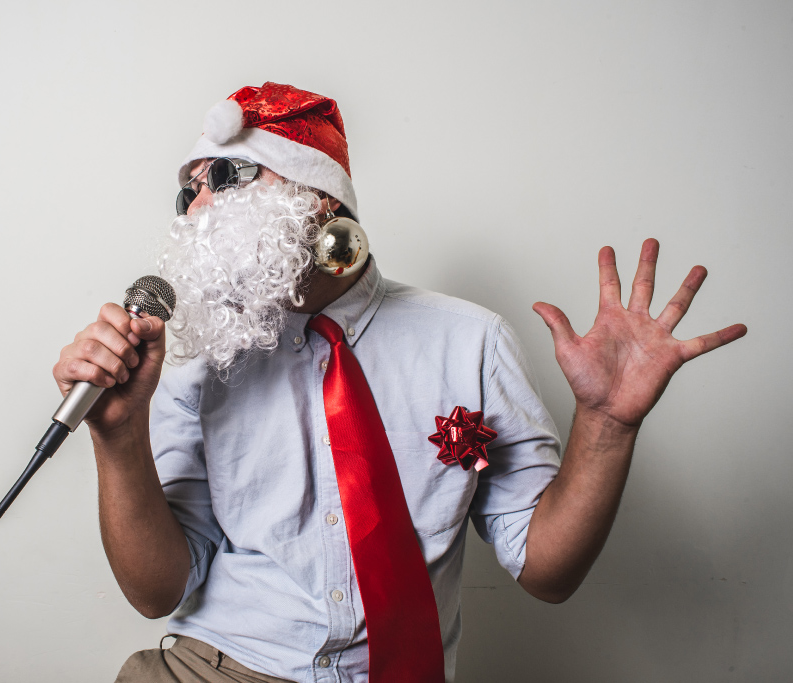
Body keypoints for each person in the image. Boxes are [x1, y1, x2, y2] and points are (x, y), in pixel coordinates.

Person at [52, 83, 747, 682]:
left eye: (227, 175)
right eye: (188, 189)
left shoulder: (469, 341)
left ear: (316, 198)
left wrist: (607, 424)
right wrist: (118, 435)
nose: (196, 209)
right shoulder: (198, 366)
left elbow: (548, 570)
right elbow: (156, 589)